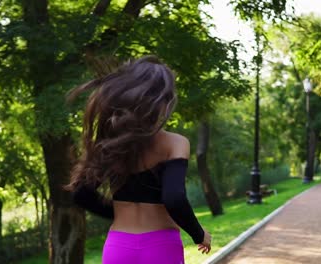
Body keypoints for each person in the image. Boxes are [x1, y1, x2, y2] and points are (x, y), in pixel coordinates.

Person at [64, 55, 211, 264]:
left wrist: (118, 212)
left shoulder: (111, 145)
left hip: (118, 246)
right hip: (161, 246)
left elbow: (81, 194)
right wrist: (199, 234)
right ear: (163, 100)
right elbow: (174, 198)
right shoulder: (174, 143)